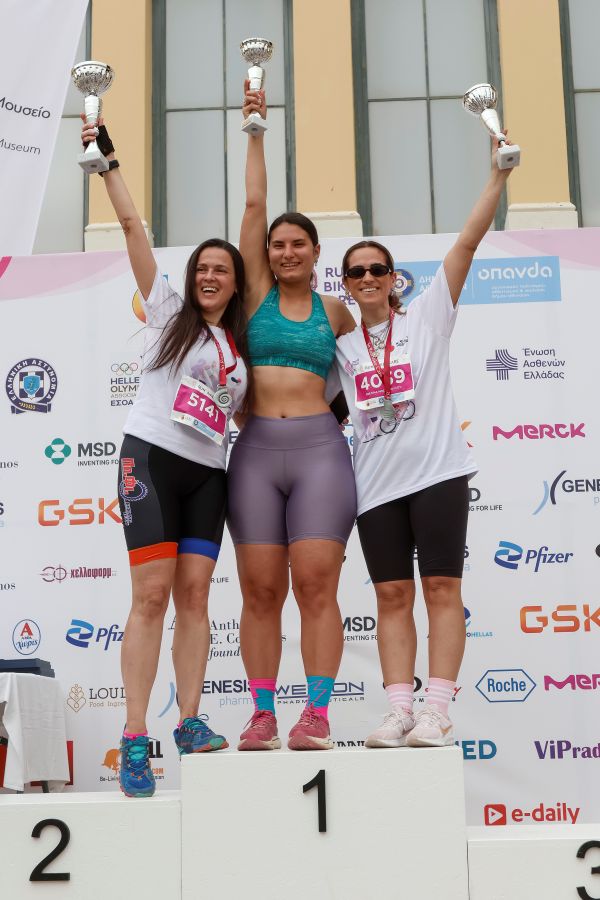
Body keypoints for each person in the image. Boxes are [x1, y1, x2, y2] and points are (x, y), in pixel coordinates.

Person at [81, 118, 249, 795]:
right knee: (150, 597)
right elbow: (131, 230)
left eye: (221, 270)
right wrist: (110, 165)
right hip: (151, 458)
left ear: (235, 284)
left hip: (209, 476)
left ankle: (189, 720)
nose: (210, 276)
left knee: (196, 597)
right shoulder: (166, 312)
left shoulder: (240, 350)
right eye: (203, 268)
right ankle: (133, 736)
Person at [335, 136, 515, 748]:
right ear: (346, 283)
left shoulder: (428, 317)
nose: (367, 278)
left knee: (442, 590)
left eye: (376, 269)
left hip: (438, 474)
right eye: (356, 272)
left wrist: (496, 177)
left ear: (394, 279)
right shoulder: (340, 347)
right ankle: (399, 712)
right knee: (390, 595)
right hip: (375, 485)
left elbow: (465, 243)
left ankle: (436, 711)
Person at [227, 83, 357, 751]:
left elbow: (380, 366)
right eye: (277, 244)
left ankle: (317, 714)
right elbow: (254, 204)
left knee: (315, 585)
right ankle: (262, 714)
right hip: (253, 451)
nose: (285, 252)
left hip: (319, 452)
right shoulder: (252, 293)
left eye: (297, 244)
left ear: (315, 251)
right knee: (259, 590)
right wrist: (256, 128)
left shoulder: (338, 312)